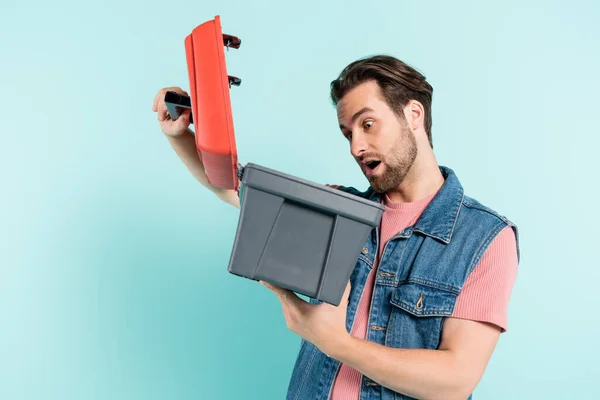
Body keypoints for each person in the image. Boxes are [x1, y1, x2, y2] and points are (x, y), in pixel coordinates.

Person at [152, 54, 520, 400]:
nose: (356, 146)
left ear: (413, 114)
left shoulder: (484, 238)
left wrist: (334, 342)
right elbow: (235, 189)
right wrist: (179, 134)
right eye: (348, 134)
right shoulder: (339, 209)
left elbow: (457, 378)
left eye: (368, 124)